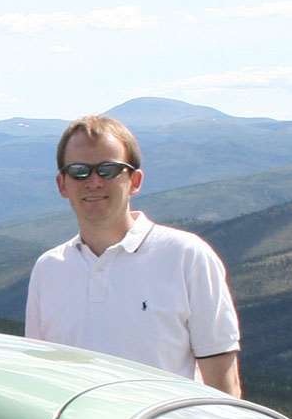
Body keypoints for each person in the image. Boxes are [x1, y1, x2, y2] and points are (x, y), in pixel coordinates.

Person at [24, 114, 242, 395]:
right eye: (79, 170)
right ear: (62, 184)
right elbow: (40, 379)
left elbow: (224, 385)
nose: (94, 181)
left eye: (109, 170)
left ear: (135, 181)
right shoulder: (48, 269)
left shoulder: (186, 256)